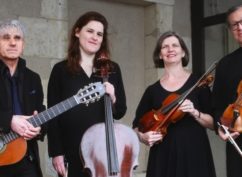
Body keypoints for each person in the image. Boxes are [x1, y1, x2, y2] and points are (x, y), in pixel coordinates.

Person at [47, 11, 127, 177]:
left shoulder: (112, 69)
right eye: (90, 31)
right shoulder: (61, 70)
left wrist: (113, 97)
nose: (95, 37)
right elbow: (53, 116)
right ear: (77, 32)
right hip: (71, 149)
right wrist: (56, 152)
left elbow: (120, 111)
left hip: (102, 150)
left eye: (99, 34)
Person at [133, 31, 216, 177]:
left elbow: (214, 123)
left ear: (183, 52)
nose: (170, 49)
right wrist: (143, 137)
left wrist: (195, 113)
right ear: (160, 55)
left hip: (194, 153)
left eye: (175, 45)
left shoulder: (198, 84)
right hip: (163, 156)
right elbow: (136, 127)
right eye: (165, 47)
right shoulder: (152, 90)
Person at [0, 20, 46, 177]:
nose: (12, 43)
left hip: (26, 158)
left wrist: (39, 128)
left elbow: (40, 110)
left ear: (23, 44)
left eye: (17, 38)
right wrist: (8, 120)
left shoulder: (33, 78)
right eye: (6, 37)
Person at [211, 4, 242, 177]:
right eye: (235, 24)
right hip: (239, 141)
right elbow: (216, 105)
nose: (240, 28)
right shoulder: (226, 64)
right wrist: (220, 126)